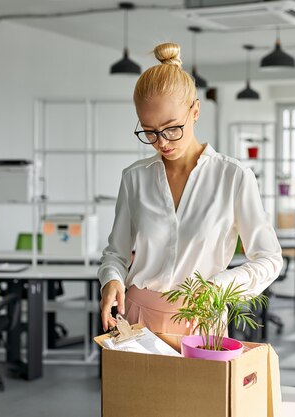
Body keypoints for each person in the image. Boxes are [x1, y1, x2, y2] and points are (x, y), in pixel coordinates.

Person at [97, 42, 283, 335]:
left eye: (172, 128)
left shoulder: (232, 176)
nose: (162, 142)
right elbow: (116, 254)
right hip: (135, 319)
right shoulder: (135, 178)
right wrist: (112, 279)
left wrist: (220, 285)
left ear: (195, 111)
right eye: (149, 131)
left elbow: (270, 259)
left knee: (201, 384)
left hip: (202, 321)